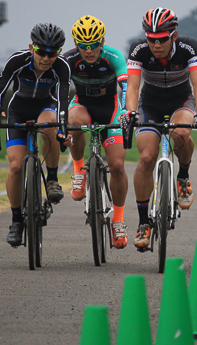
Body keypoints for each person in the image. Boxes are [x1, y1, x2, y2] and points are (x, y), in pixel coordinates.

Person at [120, 8, 197, 251]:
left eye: (161, 39)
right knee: (147, 157)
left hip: (181, 101)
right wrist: (128, 112)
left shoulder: (189, 47)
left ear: (174, 36)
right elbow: (132, 87)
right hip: (149, 104)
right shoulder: (138, 49)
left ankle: (182, 176)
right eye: (151, 39)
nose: (156, 44)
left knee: (181, 133)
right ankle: (143, 223)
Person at [0, 23, 71, 247]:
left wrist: (63, 126)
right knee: (15, 167)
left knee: (49, 124)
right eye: (41, 51)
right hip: (18, 110)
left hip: (47, 107)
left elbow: (63, 98)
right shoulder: (17, 61)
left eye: (52, 53)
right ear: (31, 47)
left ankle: (52, 180)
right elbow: (0, 89)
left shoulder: (61, 67)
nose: (46, 58)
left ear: (59, 52)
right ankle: (16, 221)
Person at [62, 15, 130, 249]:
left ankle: (118, 219)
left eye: (93, 45)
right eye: (83, 46)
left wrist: (126, 112)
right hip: (82, 107)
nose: (88, 51)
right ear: (75, 43)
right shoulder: (68, 60)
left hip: (111, 111)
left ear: (102, 41)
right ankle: (80, 169)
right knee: (73, 120)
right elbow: (57, 91)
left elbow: (126, 87)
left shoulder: (113, 57)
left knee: (118, 166)